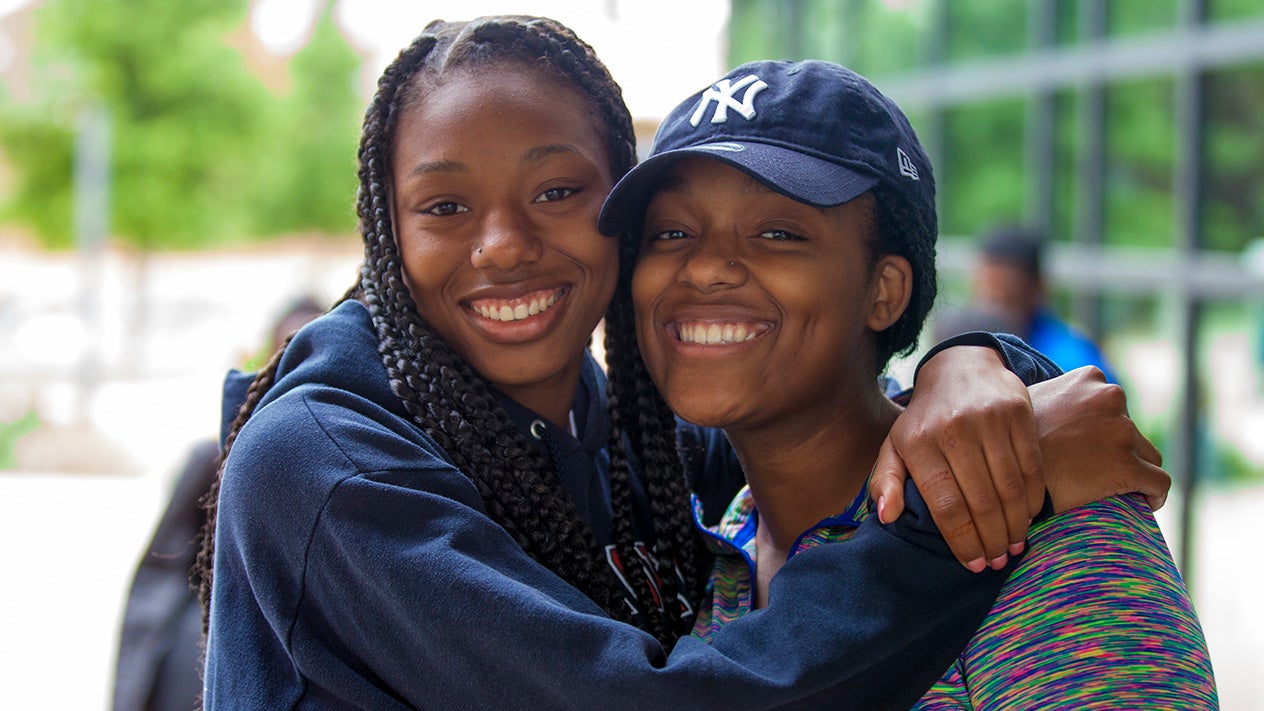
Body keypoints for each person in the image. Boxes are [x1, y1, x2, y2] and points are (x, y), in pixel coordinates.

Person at [197, 17, 1168, 709]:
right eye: (444, 207)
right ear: (384, 231)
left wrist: (978, 363)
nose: (500, 244)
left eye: (558, 190)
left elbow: (815, 417)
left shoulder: (646, 457)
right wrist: (967, 504)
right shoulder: (327, 461)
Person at [598, 58, 1216, 707]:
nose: (703, 267)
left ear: (886, 292)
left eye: (777, 232)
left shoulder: (1053, 531)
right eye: (672, 231)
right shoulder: (706, 537)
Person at [112, 296, 324, 711]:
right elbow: (158, 576)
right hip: (199, 661)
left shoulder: (347, 467)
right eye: (289, 349)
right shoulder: (214, 459)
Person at [968, 224, 1118, 381]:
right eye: (983, 293)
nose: (990, 309)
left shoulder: (1072, 364)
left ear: (1038, 289)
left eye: (1007, 298)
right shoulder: (970, 350)